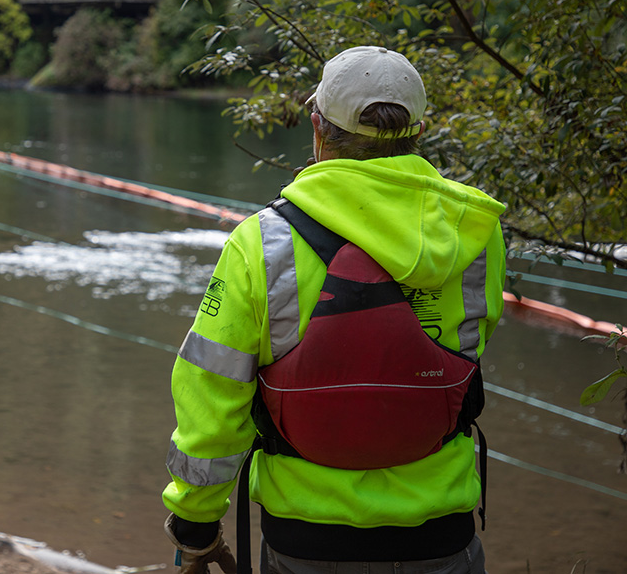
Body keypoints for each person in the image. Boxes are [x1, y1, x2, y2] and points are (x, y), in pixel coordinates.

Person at [162, 46, 506, 574]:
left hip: (304, 542)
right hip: (442, 534)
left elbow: (213, 394)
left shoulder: (262, 243)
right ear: (418, 132)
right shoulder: (475, 234)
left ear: (318, 129)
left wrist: (196, 524)